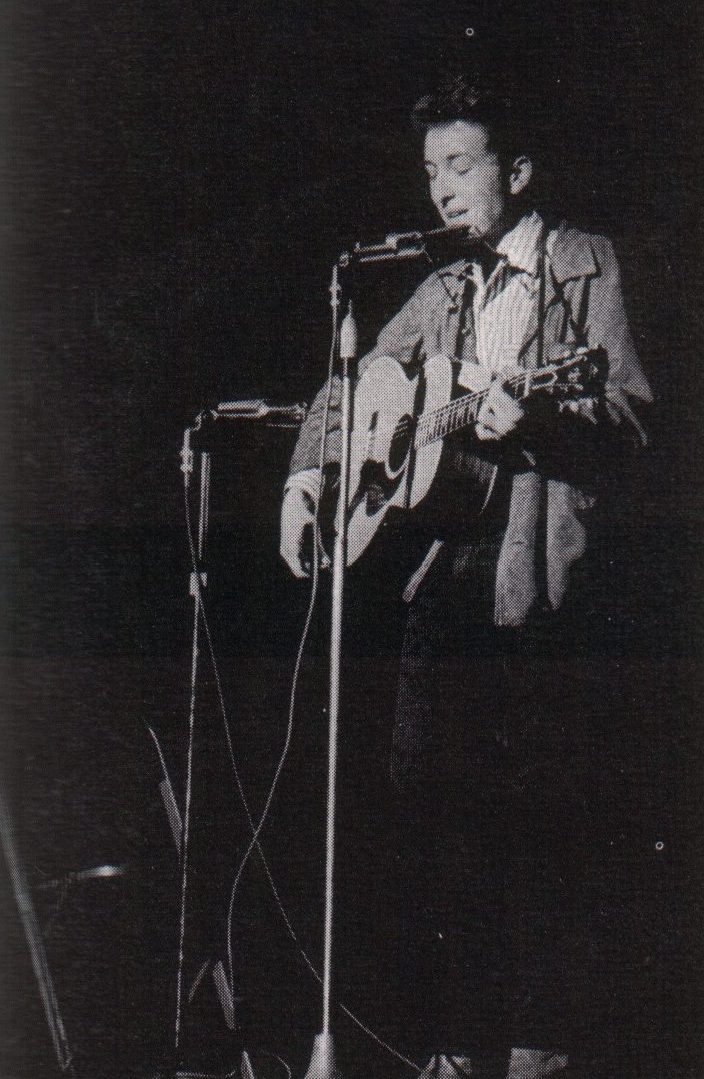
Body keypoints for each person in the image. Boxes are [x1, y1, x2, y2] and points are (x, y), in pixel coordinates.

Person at [280, 72, 652, 1079]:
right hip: (444, 571)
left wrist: (529, 419)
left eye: (459, 165)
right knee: (424, 804)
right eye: (429, 170)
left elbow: (628, 418)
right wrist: (310, 474)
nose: (439, 188)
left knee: (532, 813)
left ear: (516, 170)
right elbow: (346, 387)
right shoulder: (443, 286)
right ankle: (451, 1040)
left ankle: (534, 1045)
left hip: (537, 569)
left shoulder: (584, 264)